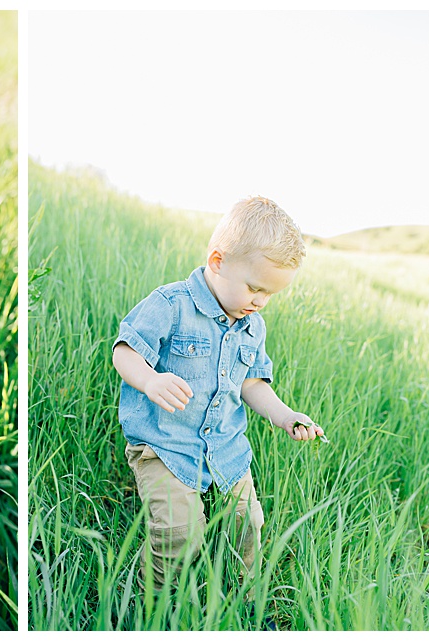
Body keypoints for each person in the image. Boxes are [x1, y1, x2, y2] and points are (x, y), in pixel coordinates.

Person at [112, 196, 323, 591]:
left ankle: (248, 594)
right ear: (217, 262)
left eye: (270, 295)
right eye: (255, 288)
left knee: (249, 522)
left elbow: (251, 383)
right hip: (165, 443)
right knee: (180, 531)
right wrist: (150, 380)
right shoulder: (171, 304)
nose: (260, 302)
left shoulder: (252, 325)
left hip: (224, 447)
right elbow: (125, 352)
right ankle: (154, 598)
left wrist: (285, 415)